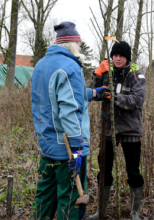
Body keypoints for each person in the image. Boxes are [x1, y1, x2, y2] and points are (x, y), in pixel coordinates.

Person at [30, 21, 103, 220]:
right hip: (67, 150)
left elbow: (52, 97)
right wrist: (77, 149)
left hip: (47, 146)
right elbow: (69, 111)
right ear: (73, 45)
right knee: (70, 200)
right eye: (78, 44)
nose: (80, 48)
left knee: (44, 198)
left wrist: (92, 94)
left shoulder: (41, 64)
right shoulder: (70, 67)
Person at [89, 41, 146, 220]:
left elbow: (136, 101)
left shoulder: (137, 75)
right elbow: (92, 93)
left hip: (130, 131)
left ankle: (135, 212)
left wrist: (113, 96)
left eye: (121, 56)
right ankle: (102, 211)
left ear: (127, 58)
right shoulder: (108, 73)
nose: (117, 59)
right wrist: (97, 75)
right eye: (114, 56)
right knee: (104, 170)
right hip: (108, 129)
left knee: (133, 171)